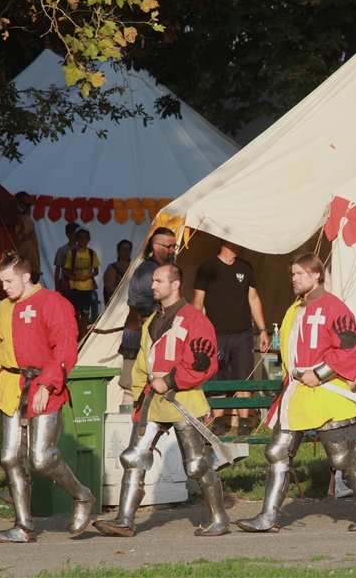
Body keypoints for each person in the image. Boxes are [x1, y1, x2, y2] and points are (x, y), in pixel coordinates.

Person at [236, 253, 356, 533]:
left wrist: (320, 372)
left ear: (316, 274)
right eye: (292, 274)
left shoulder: (335, 308)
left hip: (328, 394)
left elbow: (350, 349)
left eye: (300, 273)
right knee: (277, 452)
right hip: (297, 393)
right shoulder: (294, 310)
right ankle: (268, 516)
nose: (294, 279)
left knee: (342, 459)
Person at [95, 264, 230, 537]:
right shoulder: (150, 322)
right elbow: (142, 365)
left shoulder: (195, 319)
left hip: (184, 400)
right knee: (133, 458)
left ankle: (219, 518)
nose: (152, 285)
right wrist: (138, 394)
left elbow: (203, 363)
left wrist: (169, 381)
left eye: (158, 281)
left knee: (196, 464)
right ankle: (124, 520)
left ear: (175, 284)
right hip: (152, 402)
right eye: (153, 281)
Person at [0, 251, 93, 542]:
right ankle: (24, 526)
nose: (4, 286)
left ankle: (81, 497)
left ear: (26, 276)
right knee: (8, 456)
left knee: (41, 459)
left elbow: (65, 347)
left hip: (44, 385)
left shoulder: (52, 302)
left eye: (9, 280)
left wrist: (48, 384)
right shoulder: (2, 309)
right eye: (1, 280)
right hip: (9, 386)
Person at [193, 241, 269, 436]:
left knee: (244, 378)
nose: (244, 243)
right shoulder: (207, 267)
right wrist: (197, 331)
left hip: (242, 334)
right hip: (215, 334)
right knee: (217, 379)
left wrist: (263, 330)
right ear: (228, 242)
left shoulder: (245, 267)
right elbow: (198, 301)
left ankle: (244, 423)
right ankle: (218, 423)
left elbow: (253, 299)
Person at [119, 228, 177, 407]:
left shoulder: (156, 269)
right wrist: (152, 339)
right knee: (133, 385)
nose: (172, 250)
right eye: (168, 246)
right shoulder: (148, 271)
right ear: (156, 246)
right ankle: (127, 429)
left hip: (148, 336)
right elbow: (145, 309)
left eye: (174, 246)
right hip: (140, 336)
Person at [62, 227, 99, 339]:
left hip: (87, 287)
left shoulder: (92, 253)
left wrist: (87, 276)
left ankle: (82, 338)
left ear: (89, 239)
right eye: (80, 238)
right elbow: (65, 270)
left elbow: (96, 271)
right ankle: (74, 335)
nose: (83, 240)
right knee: (76, 312)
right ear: (76, 239)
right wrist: (74, 277)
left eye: (85, 238)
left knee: (85, 314)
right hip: (75, 287)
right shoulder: (71, 253)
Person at [14, 192, 41, 284]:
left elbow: (34, 247)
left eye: (30, 205)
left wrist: (36, 268)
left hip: (27, 269)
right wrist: (21, 240)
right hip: (13, 268)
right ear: (17, 202)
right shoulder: (8, 221)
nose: (28, 208)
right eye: (26, 205)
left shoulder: (29, 222)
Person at [53, 222, 81, 294]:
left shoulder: (83, 249)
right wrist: (57, 287)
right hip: (66, 284)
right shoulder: (62, 250)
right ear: (69, 234)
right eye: (75, 233)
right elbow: (57, 269)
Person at [102, 239, 133, 304]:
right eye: (123, 249)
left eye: (128, 249)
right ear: (118, 251)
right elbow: (109, 287)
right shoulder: (112, 267)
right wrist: (124, 294)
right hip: (116, 303)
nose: (126, 251)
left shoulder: (133, 268)